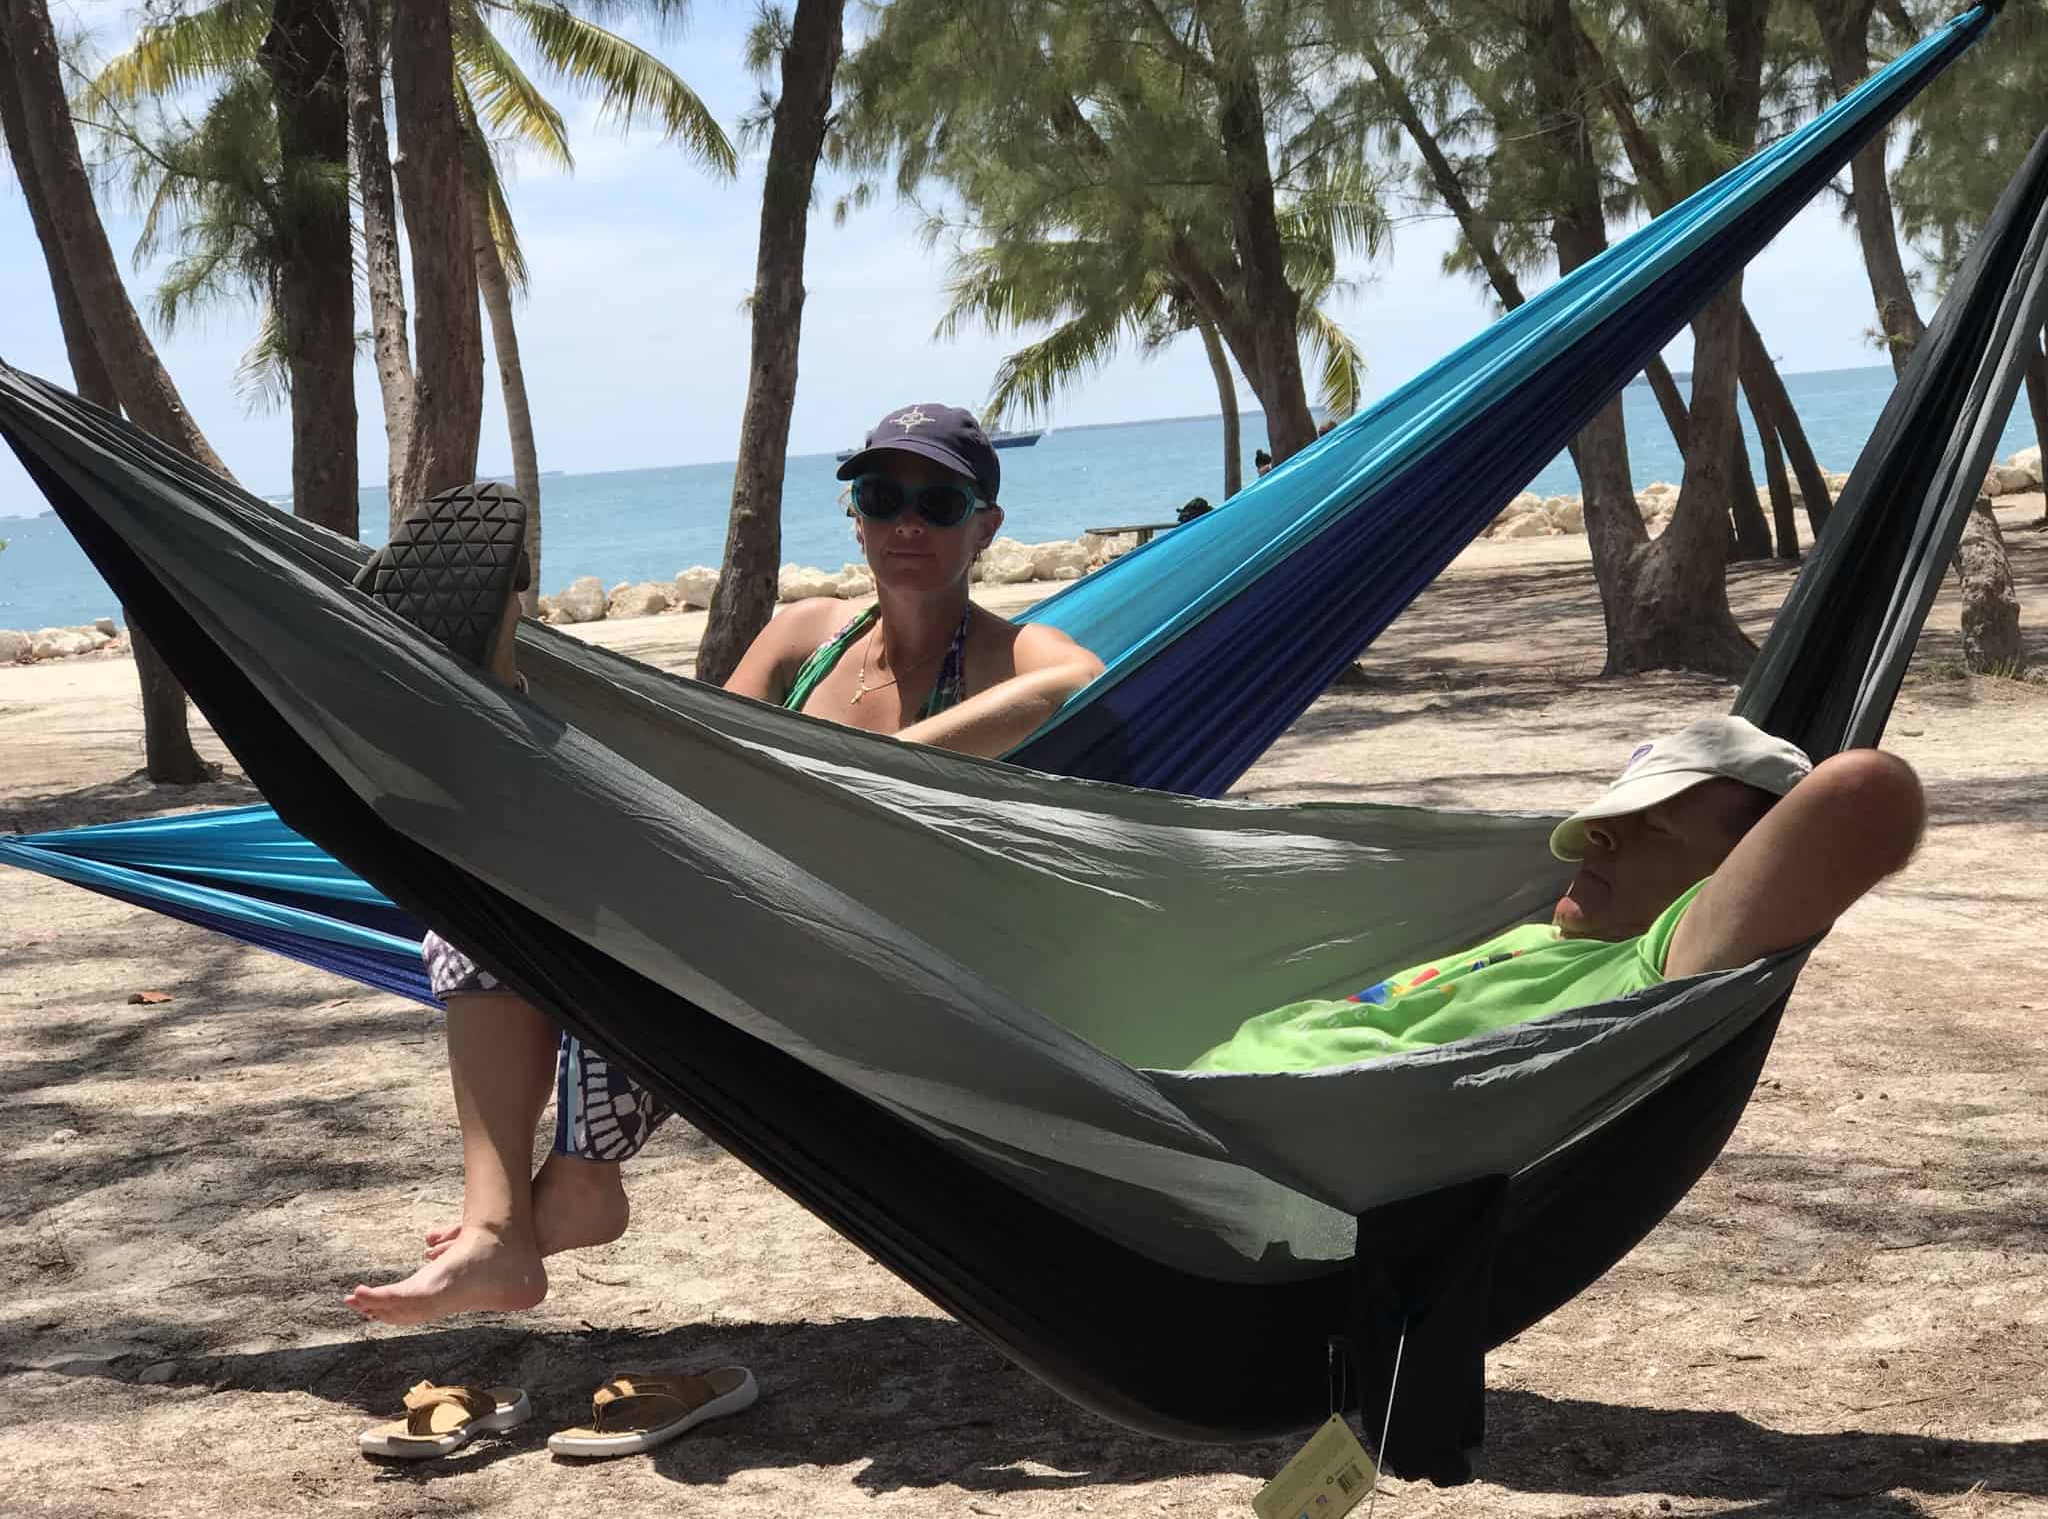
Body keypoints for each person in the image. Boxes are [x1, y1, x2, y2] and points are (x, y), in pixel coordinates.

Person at [344, 404, 1103, 1325]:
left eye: (941, 502)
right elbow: (692, 765)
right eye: (882, 495)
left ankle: (572, 1188)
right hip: (721, 895)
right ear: (854, 516)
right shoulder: (805, 634)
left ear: (985, 526)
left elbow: (1076, 678)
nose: (908, 522)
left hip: (855, 960)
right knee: (480, 914)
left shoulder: (998, 654)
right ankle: (500, 1226)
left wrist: (872, 775)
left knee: (615, 920)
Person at [1191, 717, 1924, 1072]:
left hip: (1222, 1149)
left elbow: (1863, 792)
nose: (1603, 837)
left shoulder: (1660, 967)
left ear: (1734, 875)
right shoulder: (1542, 929)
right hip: (1187, 1094)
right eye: (1609, 818)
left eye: (1654, 829)